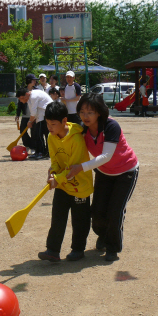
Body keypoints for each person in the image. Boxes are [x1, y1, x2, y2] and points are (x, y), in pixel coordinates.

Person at [66, 93, 139, 262]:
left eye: (90, 112)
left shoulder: (111, 126)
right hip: (104, 173)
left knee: (115, 212)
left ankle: (113, 247)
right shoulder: (82, 129)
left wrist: (80, 168)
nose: (85, 116)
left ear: (99, 112)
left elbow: (106, 155)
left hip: (126, 172)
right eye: (82, 112)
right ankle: (104, 235)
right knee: (97, 212)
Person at [38, 100, 93, 262]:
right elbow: (55, 160)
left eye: (53, 124)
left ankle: (78, 249)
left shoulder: (76, 139)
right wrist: (52, 172)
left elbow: (73, 169)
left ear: (64, 121)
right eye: (47, 123)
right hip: (62, 184)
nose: (49, 127)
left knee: (80, 220)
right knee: (58, 217)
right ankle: (53, 250)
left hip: (79, 185)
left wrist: (58, 179)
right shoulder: (51, 136)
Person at [16, 87, 52, 160]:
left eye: (21, 98)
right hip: (40, 115)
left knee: (40, 134)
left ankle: (44, 153)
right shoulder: (29, 99)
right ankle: (38, 151)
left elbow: (34, 112)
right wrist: (31, 121)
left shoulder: (33, 96)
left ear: (26, 94)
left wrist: (29, 122)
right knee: (37, 134)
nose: (20, 100)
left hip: (46, 114)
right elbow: (33, 113)